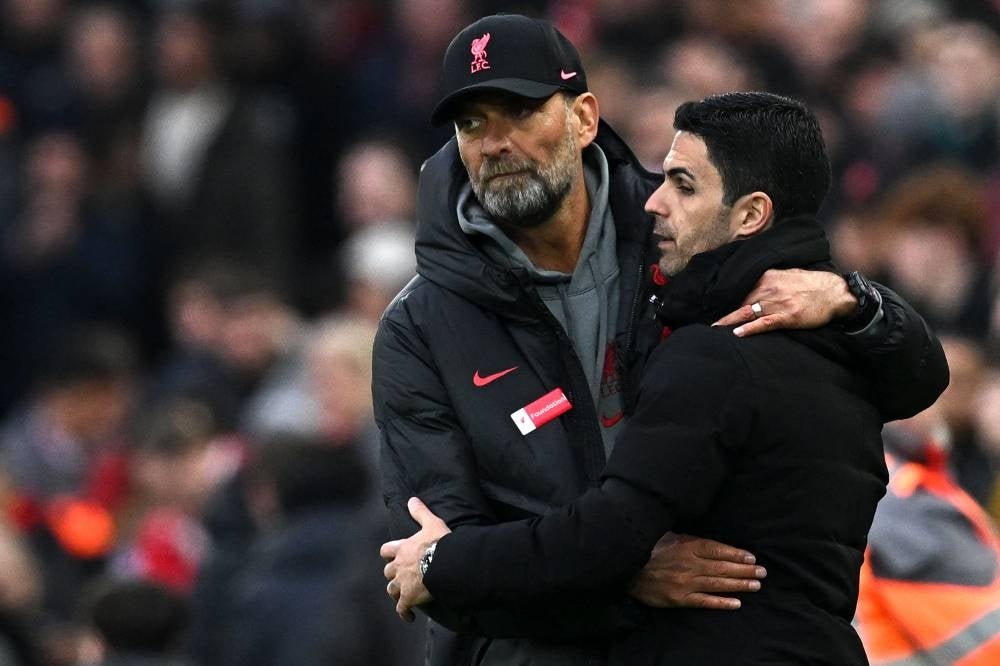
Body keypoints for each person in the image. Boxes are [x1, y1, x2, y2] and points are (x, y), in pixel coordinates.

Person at [373, 14, 948, 665]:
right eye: (471, 123)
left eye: (520, 111)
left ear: (585, 118)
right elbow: (434, 562)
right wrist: (626, 583)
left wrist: (852, 299)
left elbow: (910, 378)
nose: (495, 141)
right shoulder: (418, 327)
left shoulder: (684, 235)